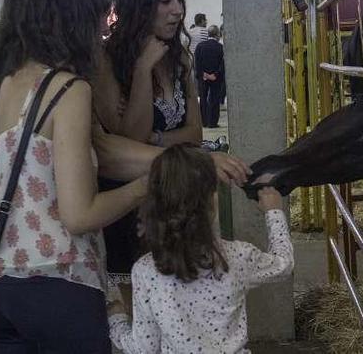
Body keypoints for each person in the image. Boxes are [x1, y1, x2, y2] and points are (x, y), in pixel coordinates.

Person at [0, 0, 148, 352]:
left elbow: (96, 150)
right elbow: (79, 215)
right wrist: (145, 188)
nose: (105, 27)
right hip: (55, 284)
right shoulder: (66, 89)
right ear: (69, 19)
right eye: (98, 15)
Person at [107, 144, 293, 353]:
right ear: (211, 201)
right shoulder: (238, 256)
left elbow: (144, 348)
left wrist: (117, 320)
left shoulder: (146, 271)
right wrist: (274, 212)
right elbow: (283, 264)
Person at [93, 0, 204, 294]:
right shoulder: (107, 60)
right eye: (165, 0)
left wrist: (156, 137)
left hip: (174, 196)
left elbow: (196, 134)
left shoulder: (180, 57)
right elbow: (129, 135)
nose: (178, 10)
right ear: (140, 3)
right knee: (133, 302)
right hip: (125, 203)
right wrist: (142, 69)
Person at [195, 25, 226, 128]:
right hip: (215, 78)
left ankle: (204, 121)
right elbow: (222, 64)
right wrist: (215, 75)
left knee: (203, 98)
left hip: (203, 77)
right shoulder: (220, 47)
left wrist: (203, 74)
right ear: (217, 35)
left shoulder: (200, 46)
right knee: (214, 99)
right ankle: (213, 122)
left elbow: (197, 63)